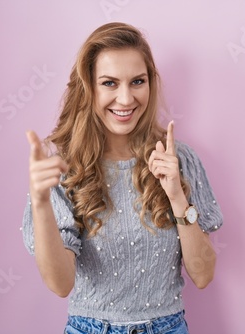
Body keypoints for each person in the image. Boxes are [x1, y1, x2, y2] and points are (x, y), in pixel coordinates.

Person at [22, 22, 223, 334]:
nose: (126, 99)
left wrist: (177, 196)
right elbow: (60, 284)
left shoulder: (178, 159)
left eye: (137, 81)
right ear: (89, 87)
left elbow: (203, 274)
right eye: (110, 83)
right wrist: (40, 203)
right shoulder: (63, 170)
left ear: (150, 84)